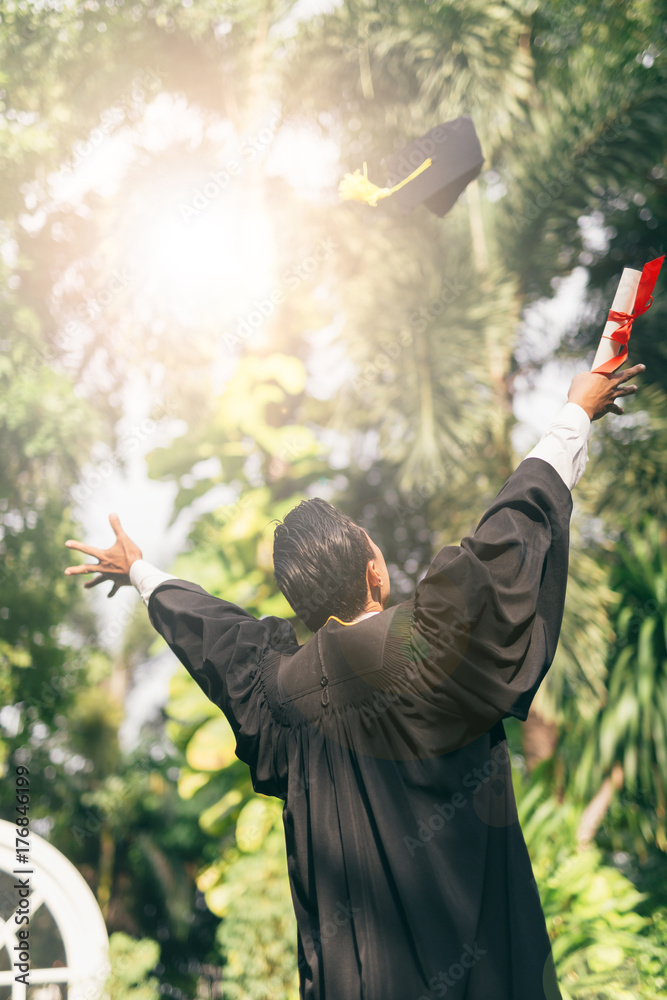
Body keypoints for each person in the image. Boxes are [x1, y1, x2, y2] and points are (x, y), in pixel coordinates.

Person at [64, 363, 644, 1000]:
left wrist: (142, 571)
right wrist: (575, 413)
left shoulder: (278, 695)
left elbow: (216, 635)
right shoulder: (432, 642)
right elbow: (508, 535)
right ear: (374, 570)